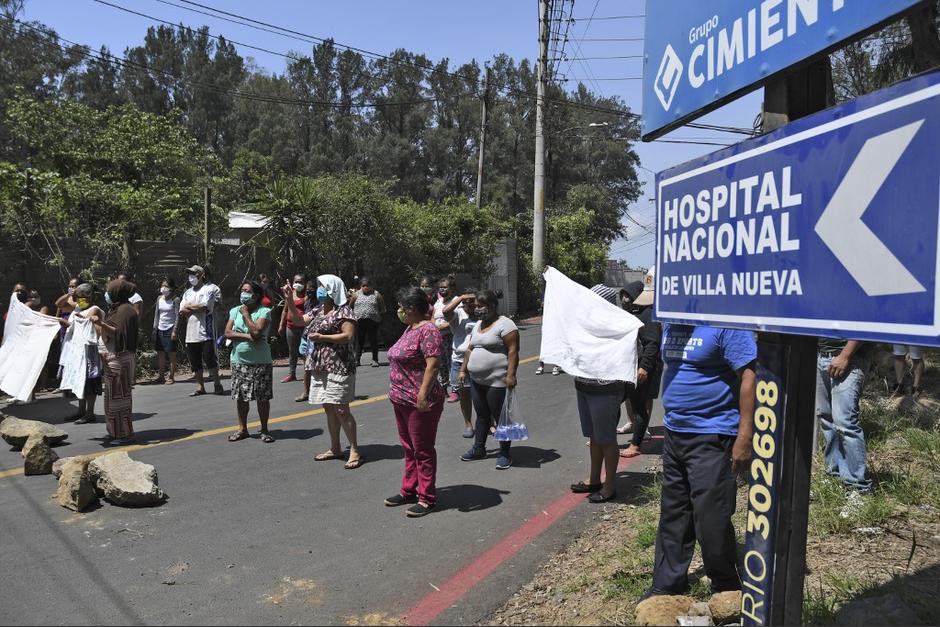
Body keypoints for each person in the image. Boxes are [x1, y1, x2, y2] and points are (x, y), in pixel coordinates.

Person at [648, 323, 756, 598]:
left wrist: (745, 435)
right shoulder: (672, 321)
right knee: (674, 512)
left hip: (713, 434)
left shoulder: (725, 324)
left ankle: (726, 587)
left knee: (712, 517)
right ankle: (667, 584)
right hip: (675, 433)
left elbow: (749, 376)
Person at [283, 275, 362, 469]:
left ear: (333, 290)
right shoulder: (318, 310)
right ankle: (335, 447)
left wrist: (323, 337)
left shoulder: (344, 311)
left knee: (341, 409)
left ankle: (354, 450)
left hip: (339, 366)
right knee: (328, 407)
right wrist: (289, 299)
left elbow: (348, 336)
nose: (318, 290)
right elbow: (298, 320)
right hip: (320, 366)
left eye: (323, 287)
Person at [385, 286, 445, 517]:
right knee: (409, 448)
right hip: (401, 399)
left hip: (419, 402)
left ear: (411, 308)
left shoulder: (428, 330)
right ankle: (409, 489)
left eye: (401, 307)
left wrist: (422, 395)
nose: (399, 310)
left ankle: (427, 498)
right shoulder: (411, 328)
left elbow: (433, 365)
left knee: (422, 449)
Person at [570, 285, 629, 503]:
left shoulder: (617, 327)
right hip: (584, 386)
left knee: (606, 438)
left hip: (605, 390)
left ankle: (609, 485)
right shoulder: (585, 324)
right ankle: (594, 479)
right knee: (594, 437)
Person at [459, 289, 520, 470]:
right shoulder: (478, 325)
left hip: (497, 381)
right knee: (482, 416)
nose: (477, 309)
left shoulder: (506, 325)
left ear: (492, 306)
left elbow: (513, 351)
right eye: (476, 306)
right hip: (477, 380)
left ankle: (504, 453)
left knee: (501, 418)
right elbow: (470, 349)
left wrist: (511, 375)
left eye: (481, 306)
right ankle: (479, 449)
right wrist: (463, 370)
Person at [816, 338, 872, 495]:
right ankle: (834, 476)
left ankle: (858, 488)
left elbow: (866, 326)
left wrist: (845, 355)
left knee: (844, 421)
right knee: (826, 418)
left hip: (850, 358)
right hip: (821, 355)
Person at [91, 279, 140, 444]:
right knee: (112, 397)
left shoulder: (126, 310)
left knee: (120, 397)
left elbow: (117, 333)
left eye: (109, 291)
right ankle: (114, 431)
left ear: (116, 292)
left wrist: (100, 323)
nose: (107, 294)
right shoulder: (117, 309)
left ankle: (124, 433)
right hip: (113, 359)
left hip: (120, 359)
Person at [225, 281, 275, 443]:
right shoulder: (235, 311)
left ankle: (264, 430)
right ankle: (242, 429)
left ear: (256, 295)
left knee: (262, 397)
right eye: (242, 290)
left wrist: (246, 315)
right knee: (241, 397)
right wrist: (248, 337)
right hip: (239, 360)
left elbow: (257, 331)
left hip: (261, 361)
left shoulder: (264, 312)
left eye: (247, 291)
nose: (243, 294)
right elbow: (228, 333)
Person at [619, 281, 663, 458]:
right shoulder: (632, 314)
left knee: (639, 406)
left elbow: (652, 343)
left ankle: (636, 444)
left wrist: (644, 366)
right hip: (629, 367)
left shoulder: (647, 315)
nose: (624, 299)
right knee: (621, 401)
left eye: (628, 295)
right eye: (623, 295)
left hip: (642, 368)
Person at [60, 283, 104, 423]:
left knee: (89, 382)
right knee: (79, 381)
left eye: (78, 297)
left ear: (87, 297)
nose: (76, 300)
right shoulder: (78, 307)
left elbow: (93, 329)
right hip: (77, 351)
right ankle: (81, 410)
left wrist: (79, 321)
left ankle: (89, 413)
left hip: (89, 352)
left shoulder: (94, 309)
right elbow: (60, 305)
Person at [179, 264, 224, 396]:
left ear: (201, 275)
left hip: (206, 332)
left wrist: (190, 307)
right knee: (195, 361)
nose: (191, 277)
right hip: (191, 333)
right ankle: (200, 386)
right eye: (189, 274)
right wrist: (194, 308)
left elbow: (204, 307)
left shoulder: (209, 290)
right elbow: (182, 310)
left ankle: (217, 383)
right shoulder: (187, 293)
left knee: (209, 358)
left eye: (194, 274)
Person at [443, 288, 479, 438]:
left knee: (483, 394)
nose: (471, 305)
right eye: (467, 302)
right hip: (459, 361)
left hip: (480, 360)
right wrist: (462, 297)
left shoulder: (481, 314)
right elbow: (445, 311)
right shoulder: (458, 314)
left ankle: (489, 423)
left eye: (474, 302)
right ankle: (468, 424)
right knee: (464, 395)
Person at [349, 276, 385, 368]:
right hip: (359, 321)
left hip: (373, 321)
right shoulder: (356, 294)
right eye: (363, 285)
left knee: (373, 340)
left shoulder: (376, 294)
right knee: (359, 340)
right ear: (360, 286)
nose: (365, 287)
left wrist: (378, 315)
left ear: (371, 286)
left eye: (367, 285)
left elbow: (382, 308)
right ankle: (357, 359)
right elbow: (350, 306)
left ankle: (375, 359)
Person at [278, 273, 308, 383]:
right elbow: (285, 310)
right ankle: (292, 374)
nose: (298, 284)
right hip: (290, 326)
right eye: (296, 282)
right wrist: (281, 325)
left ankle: (307, 374)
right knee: (292, 351)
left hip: (304, 326)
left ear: (305, 283)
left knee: (305, 351)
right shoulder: (290, 294)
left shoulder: (308, 294)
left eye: (300, 282)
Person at [432, 276, 458, 401]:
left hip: (450, 336)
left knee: (451, 362)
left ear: (451, 288)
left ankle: (455, 389)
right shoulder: (438, 301)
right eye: (440, 287)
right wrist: (434, 326)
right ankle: (443, 388)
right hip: (438, 336)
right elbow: (433, 317)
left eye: (445, 287)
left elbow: (458, 317)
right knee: (441, 363)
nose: (442, 289)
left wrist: (445, 325)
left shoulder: (456, 301)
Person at [152, 278, 180, 385]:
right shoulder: (159, 298)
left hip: (170, 328)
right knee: (160, 353)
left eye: (166, 286)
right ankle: (161, 376)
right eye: (162, 286)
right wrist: (154, 329)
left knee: (171, 353)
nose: (163, 288)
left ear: (171, 288)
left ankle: (171, 376)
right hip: (160, 328)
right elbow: (157, 314)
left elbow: (177, 316)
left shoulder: (175, 299)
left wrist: (175, 330)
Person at [295, 279, 318, 402]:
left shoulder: (321, 303)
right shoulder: (307, 301)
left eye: (312, 290)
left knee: (316, 366)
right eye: (307, 290)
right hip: (306, 336)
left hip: (316, 337)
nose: (309, 292)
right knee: (307, 367)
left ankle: (314, 391)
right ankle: (307, 391)